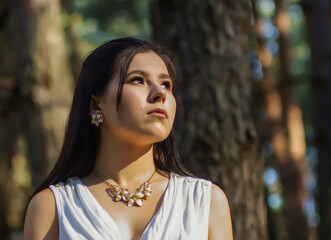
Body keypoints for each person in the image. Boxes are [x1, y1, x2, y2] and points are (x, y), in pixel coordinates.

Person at [23, 37, 233, 240]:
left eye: (166, 84)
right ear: (96, 105)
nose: (160, 93)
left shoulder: (206, 202)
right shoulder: (52, 207)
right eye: (138, 80)